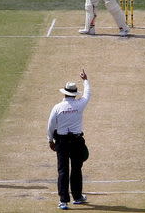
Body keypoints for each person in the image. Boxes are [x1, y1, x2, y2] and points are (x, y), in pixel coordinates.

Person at [47, 69, 91, 210]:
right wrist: (85, 80)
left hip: (62, 143)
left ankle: (63, 201)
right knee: (77, 168)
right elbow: (87, 94)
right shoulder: (80, 104)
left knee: (63, 170)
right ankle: (77, 197)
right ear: (74, 93)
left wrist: (50, 140)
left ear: (65, 93)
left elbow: (51, 125)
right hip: (77, 142)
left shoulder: (58, 107)